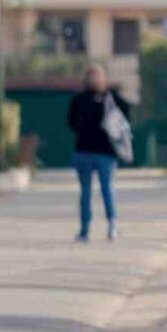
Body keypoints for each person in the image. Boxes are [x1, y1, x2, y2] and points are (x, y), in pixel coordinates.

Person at [67, 64, 130, 242]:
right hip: (84, 152)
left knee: (107, 188)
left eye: (98, 76)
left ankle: (112, 224)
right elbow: (71, 123)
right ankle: (85, 228)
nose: (95, 80)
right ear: (86, 79)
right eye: (91, 76)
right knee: (85, 191)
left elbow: (125, 116)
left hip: (106, 152)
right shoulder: (79, 99)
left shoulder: (112, 99)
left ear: (104, 79)